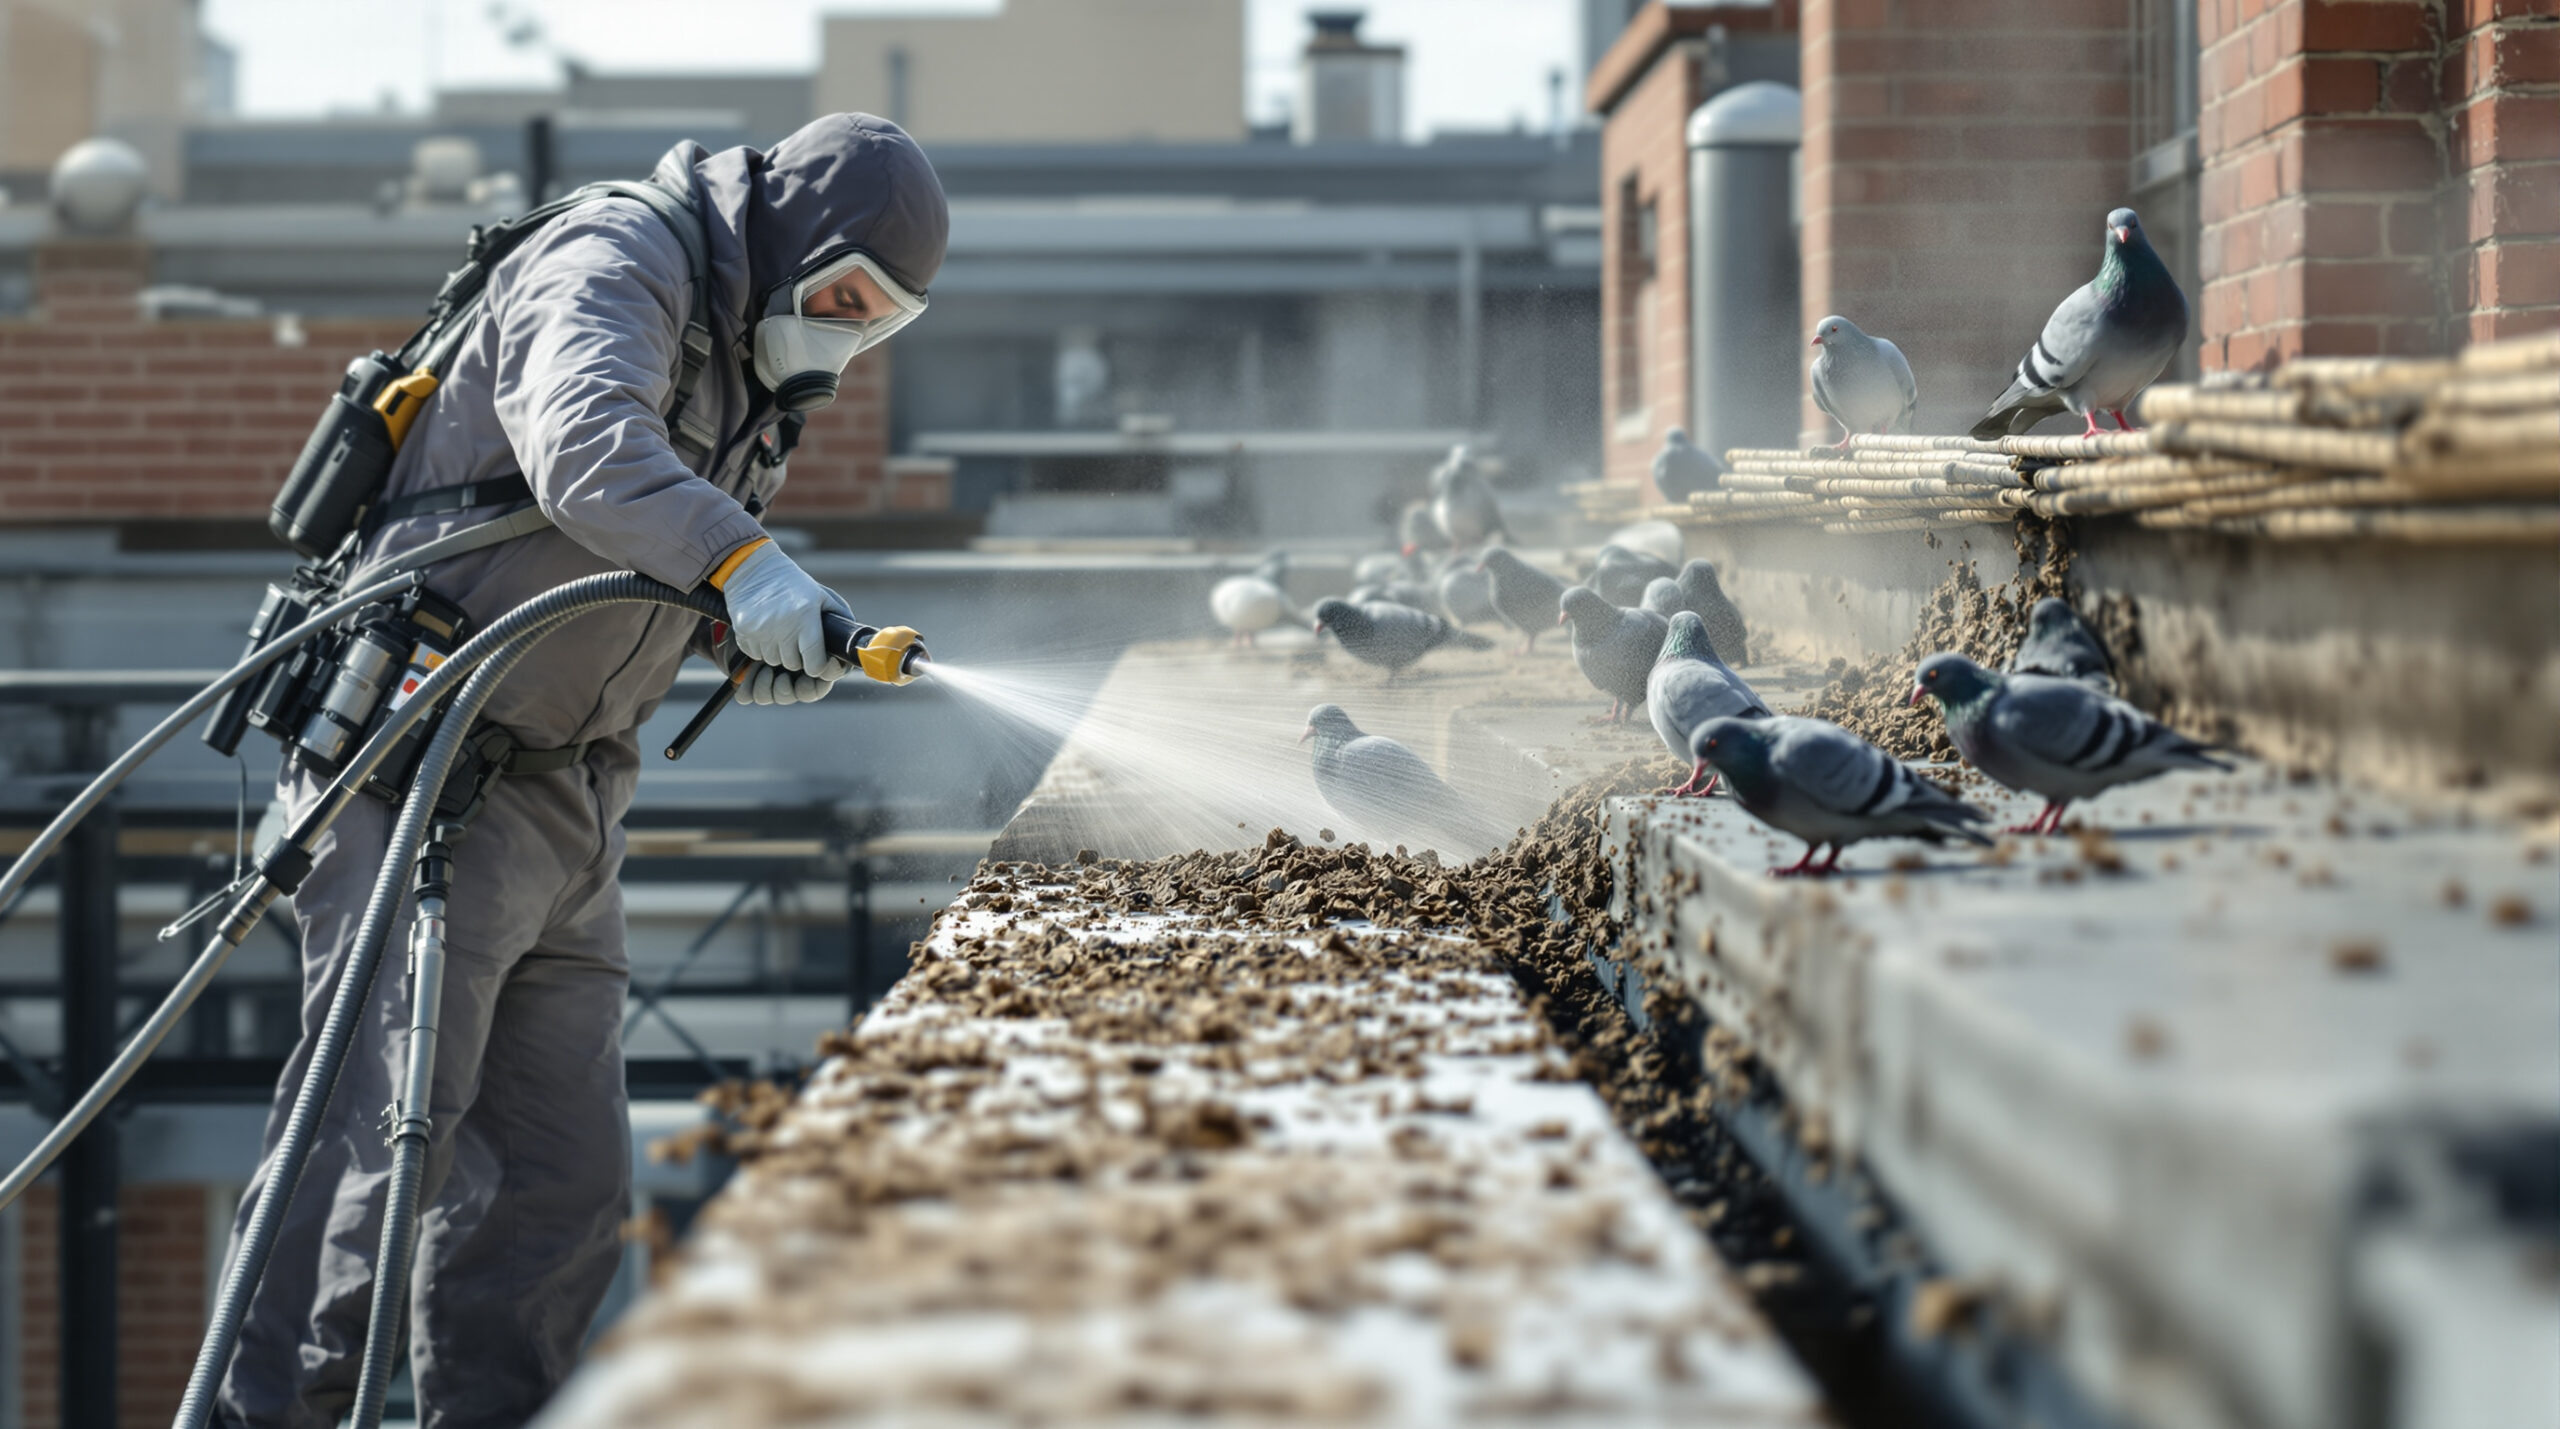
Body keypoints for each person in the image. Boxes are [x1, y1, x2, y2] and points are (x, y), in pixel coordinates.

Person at [216, 113, 948, 1429]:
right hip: (416, 769)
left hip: (569, 793)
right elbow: (584, 443)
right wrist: (743, 565)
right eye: (844, 295)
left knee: (558, 1186)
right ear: (789, 235)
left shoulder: (747, 368)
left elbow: (641, 563)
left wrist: (743, 628)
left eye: (877, 322)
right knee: (377, 1151)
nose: (845, 333)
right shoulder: (618, 255)